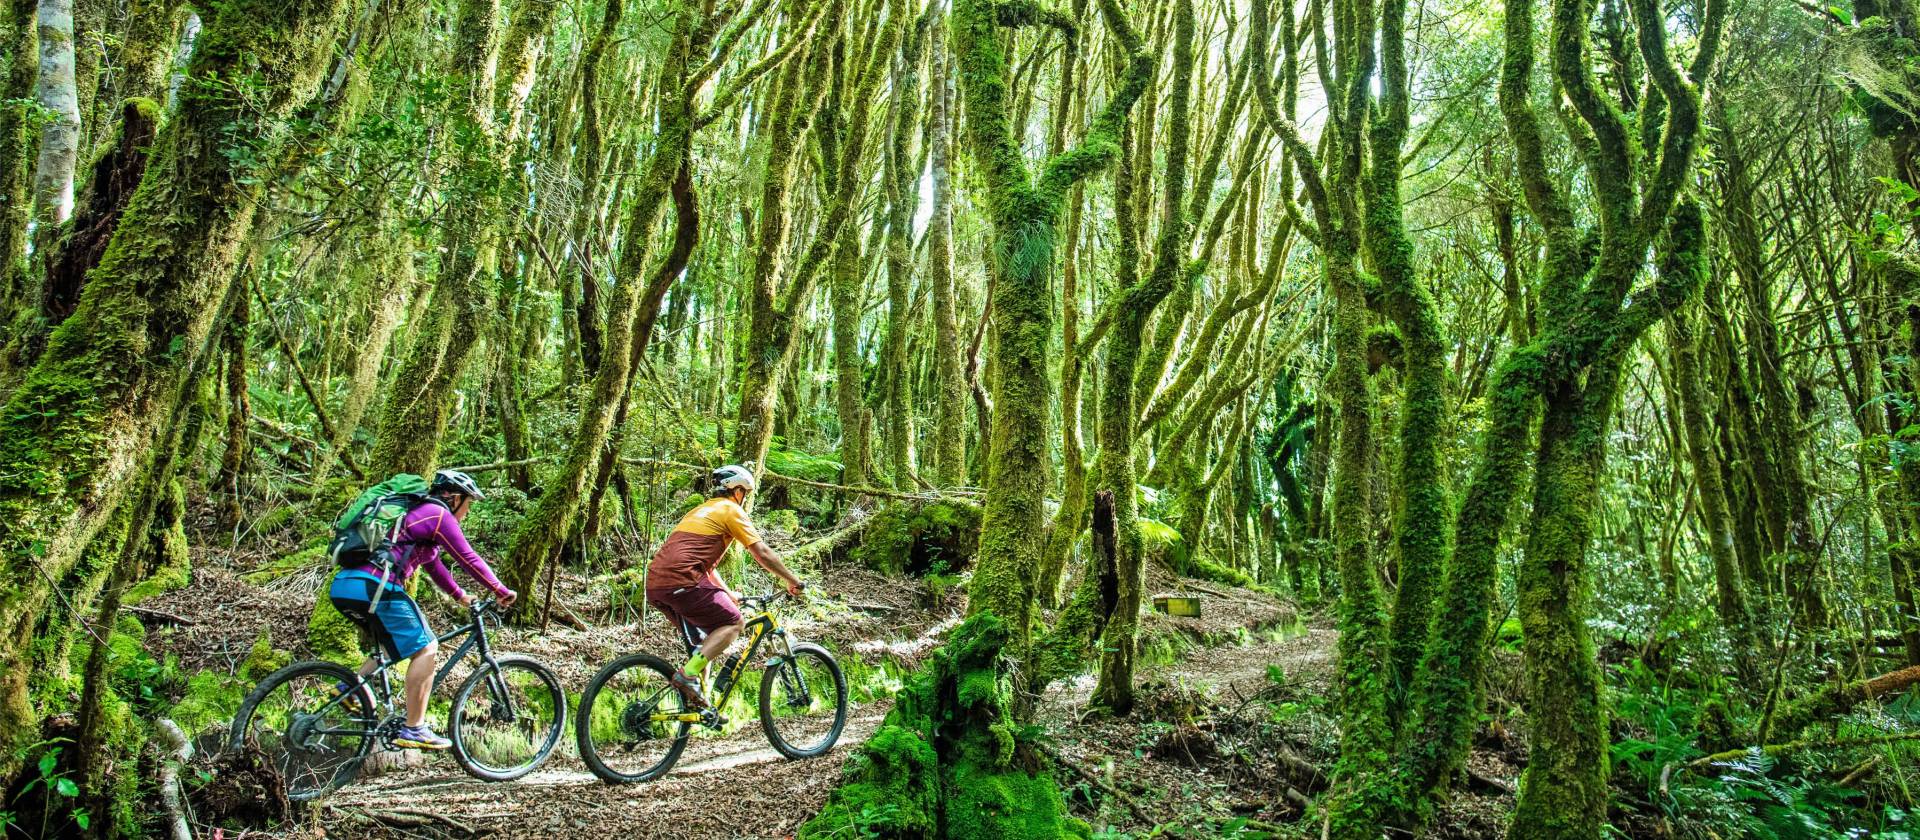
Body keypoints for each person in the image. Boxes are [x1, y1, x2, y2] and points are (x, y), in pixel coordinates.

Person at [327, 469, 518, 750]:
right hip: (376, 586)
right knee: (427, 647)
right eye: (468, 503)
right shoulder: (436, 514)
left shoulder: (415, 519)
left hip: (347, 586)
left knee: (396, 645)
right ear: (454, 498)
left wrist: (460, 595)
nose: (467, 511)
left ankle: (350, 686)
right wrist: (500, 589)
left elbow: (434, 566)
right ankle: (414, 728)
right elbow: (467, 557)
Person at [646, 464, 805, 709]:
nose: (744, 499)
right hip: (683, 581)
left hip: (657, 585)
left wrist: (728, 594)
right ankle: (688, 676)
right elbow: (761, 552)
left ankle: (699, 707)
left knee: (704, 644)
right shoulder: (730, 510)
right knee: (734, 623)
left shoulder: (701, 511)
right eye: (745, 493)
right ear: (738, 490)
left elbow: (705, 567)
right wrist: (791, 579)